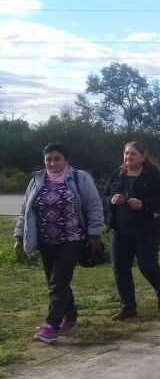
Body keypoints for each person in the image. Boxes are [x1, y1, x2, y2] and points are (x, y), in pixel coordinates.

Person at [13, 143, 104, 344]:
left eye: (57, 158)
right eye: (48, 159)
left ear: (66, 160)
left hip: (72, 239)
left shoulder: (80, 178)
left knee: (58, 281)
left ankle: (52, 324)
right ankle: (70, 317)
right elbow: (25, 211)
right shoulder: (37, 180)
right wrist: (19, 236)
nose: (53, 163)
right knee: (56, 282)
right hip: (46, 240)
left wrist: (95, 233)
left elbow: (94, 205)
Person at [104, 141, 160, 321]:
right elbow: (102, 195)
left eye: (133, 154)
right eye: (126, 153)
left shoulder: (152, 175)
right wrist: (111, 199)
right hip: (121, 229)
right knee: (120, 268)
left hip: (147, 229)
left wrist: (144, 204)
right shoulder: (117, 175)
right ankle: (128, 306)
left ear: (143, 156)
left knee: (147, 264)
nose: (128, 157)